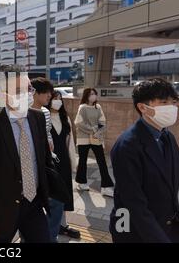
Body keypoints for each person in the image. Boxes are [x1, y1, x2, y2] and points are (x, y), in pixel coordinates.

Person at [110, 79, 179, 243]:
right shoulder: (127, 146)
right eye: (164, 102)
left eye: (173, 102)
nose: (171, 107)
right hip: (134, 231)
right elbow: (134, 203)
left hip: (165, 224)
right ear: (143, 107)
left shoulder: (167, 136)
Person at [0, 65, 53, 243]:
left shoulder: (38, 118)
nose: (26, 95)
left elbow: (43, 161)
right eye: (18, 91)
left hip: (34, 205)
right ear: (3, 95)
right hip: (3, 211)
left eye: (28, 89)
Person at [30, 77, 64, 243]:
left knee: (57, 202)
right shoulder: (24, 113)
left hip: (46, 163)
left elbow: (47, 132)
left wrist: (49, 142)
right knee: (31, 205)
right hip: (30, 167)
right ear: (34, 92)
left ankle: (51, 236)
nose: (50, 95)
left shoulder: (45, 112)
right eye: (47, 92)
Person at [48, 91, 81, 239]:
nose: (58, 101)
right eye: (55, 98)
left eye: (60, 99)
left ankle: (63, 224)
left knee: (64, 194)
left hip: (64, 161)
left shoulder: (64, 117)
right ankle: (51, 226)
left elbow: (70, 142)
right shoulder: (43, 117)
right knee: (51, 195)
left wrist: (73, 162)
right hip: (49, 162)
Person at [74, 88, 114, 197]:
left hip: (96, 138)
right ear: (86, 95)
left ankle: (106, 187)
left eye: (95, 94)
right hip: (84, 139)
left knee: (102, 162)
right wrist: (93, 130)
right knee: (82, 161)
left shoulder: (98, 107)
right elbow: (79, 122)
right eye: (91, 94)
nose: (93, 96)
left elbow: (103, 121)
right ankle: (82, 183)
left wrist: (99, 131)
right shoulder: (82, 107)